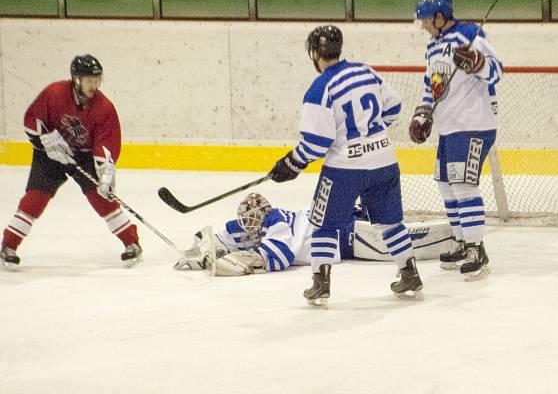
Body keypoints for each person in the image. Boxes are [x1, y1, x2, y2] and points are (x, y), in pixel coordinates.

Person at [267, 25, 423, 306]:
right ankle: (410, 273)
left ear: (314, 54)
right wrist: (369, 136)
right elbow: (394, 106)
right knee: (390, 223)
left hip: (344, 171)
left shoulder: (319, 88)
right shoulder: (365, 71)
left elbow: (317, 142)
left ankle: (321, 283)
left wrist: (293, 162)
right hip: (384, 162)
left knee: (323, 223)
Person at [1, 54, 141, 270]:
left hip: (83, 156)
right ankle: (8, 246)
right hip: (49, 154)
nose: (94, 85)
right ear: (76, 80)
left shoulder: (104, 107)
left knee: (101, 197)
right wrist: (46, 140)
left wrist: (105, 174)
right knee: (35, 198)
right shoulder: (54, 93)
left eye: (97, 80)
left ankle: (132, 242)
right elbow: (32, 120)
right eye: (89, 81)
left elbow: (106, 142)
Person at [409, 0, 503, 280]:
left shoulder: (470, 35)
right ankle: (463, 242)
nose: (424, 25)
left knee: (463, 185)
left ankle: (477, 249)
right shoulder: (433, 47)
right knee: (445, 183)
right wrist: (422, 113)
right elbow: (431, 84)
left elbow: (497, 71)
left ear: (440, 16)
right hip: (449, 125)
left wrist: (478, 63)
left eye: (426, 20)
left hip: (473, 122)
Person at [174, 193, 456, 276]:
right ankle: (459, 231)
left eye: (253, 221)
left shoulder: (275, 222)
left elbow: (279, 257)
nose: (249, 226)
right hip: (342, 221)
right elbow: (217, 235)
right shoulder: (257, 223)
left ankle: (458, 234)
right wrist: (198, 249)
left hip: (349, 236)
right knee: (393, 229)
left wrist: (238, 260)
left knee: (405, 242)